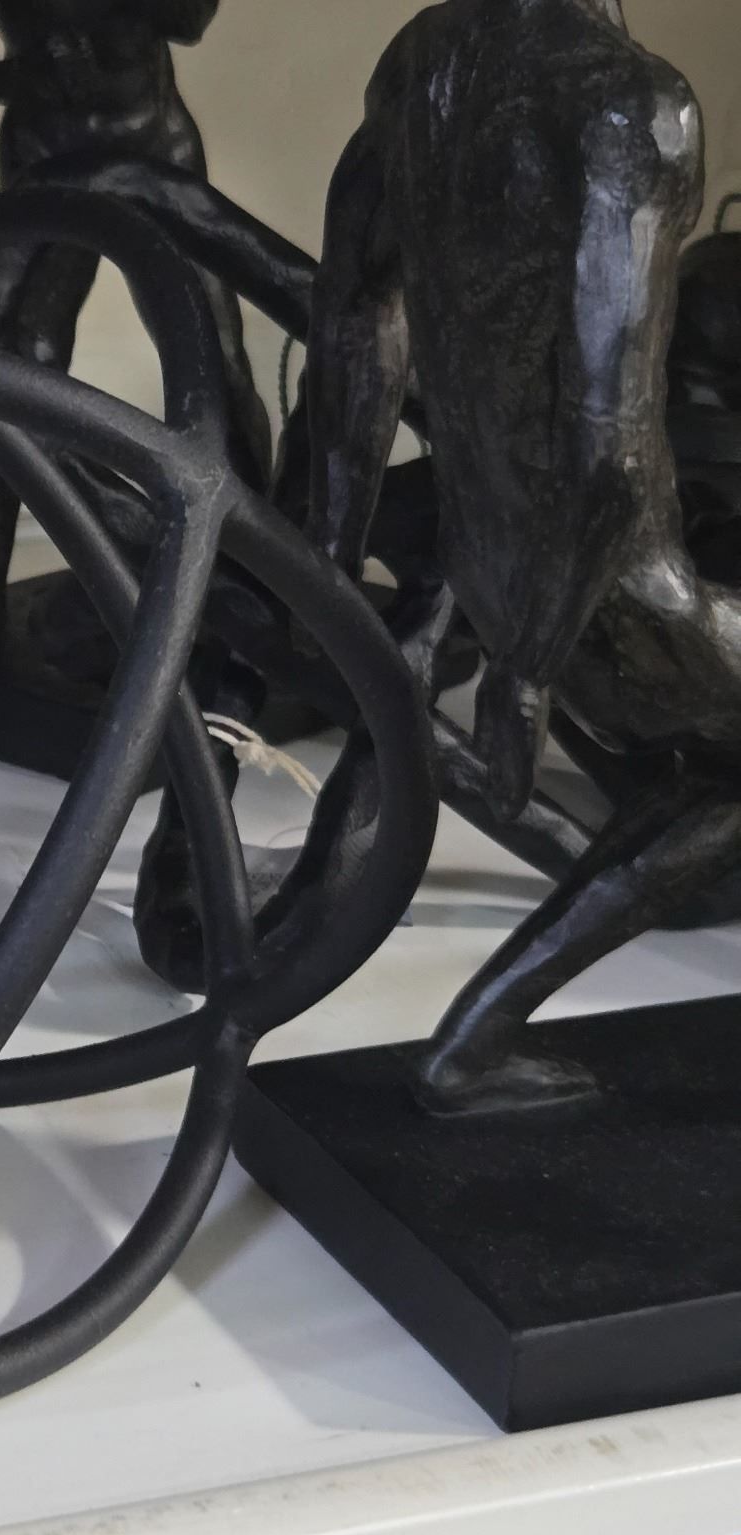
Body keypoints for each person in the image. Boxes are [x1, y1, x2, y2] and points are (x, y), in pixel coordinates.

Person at [304, 0, 741, 1112]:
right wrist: (531, 668)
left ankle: (476, 1038)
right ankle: (474, 1040)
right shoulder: (631, 106)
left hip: (494, 567)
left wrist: (329, 562)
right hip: (610, 592)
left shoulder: (422, 69)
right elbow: (608, 453)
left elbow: (353, 329)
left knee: (717, 783)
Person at [0, 0, 269, 666]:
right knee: (2, 369)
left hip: (153, 145)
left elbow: (189, 19)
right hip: (44, 152)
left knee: (218, 363)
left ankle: (265, 586)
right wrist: (19, 77)